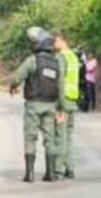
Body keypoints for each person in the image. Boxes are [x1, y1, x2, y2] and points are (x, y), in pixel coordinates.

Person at [8, 26, 62, 183]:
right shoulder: (56, 63)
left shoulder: (32, 60)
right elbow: (60, 86)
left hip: (34, 104)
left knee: (30, 138)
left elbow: (17, 78)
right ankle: (50, 173)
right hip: (50, 105)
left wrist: (13, 86)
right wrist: (59, 107)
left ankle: (30, 174)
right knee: (50, 139)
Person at [53, 30, 81, 179]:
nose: (53, 44)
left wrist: (59, 104)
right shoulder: (73, 57)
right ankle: (70, 168)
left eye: (55, 40)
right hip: (73, 100)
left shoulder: (61, 57)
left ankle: (58, 168)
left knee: (60, 135)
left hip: (63, 101)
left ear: (61, 40)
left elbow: (60, 80)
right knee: (69, 136)